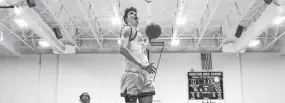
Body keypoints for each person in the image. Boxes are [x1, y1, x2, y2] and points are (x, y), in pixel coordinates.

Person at [119, 7, 157, 103]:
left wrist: (150, 37)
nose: (135, 15)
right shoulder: (127, 29)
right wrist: (141, 64)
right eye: (131, 13)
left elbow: (143, 50)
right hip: (133, 74)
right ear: (126, 19)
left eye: (135, 13)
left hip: (145, 74)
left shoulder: (139, 35)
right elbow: (122, 49)